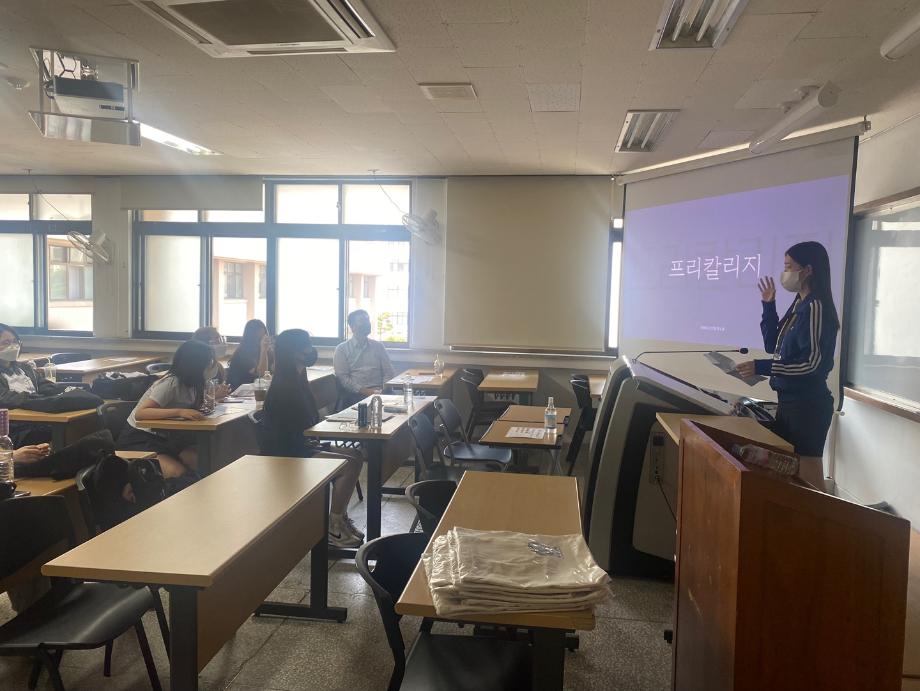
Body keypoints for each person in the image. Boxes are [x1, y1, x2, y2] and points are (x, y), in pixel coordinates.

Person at [736, 241, 839, 489]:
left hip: (808, 406)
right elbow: (773, 345)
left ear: (808, 270)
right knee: (791, 477)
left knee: (809, 479)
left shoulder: (815, 306)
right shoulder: (799, 304)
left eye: (789, 266)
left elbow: (811, 364)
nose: (785, 272)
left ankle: (817, 515)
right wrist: (768, 304)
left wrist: (763, 367)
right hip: (790, 403)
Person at [263, 329, 365, 548]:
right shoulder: (285, 386)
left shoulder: (298, 378)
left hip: (302, 444)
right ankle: (333, 527)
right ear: (294, 352)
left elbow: (310, 420)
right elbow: (298, 429)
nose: (311, 350)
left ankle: (340, 517)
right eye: (307, 345)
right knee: (347, 464)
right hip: (289, 452)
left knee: (356, 456)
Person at [118, 339, 229, 479]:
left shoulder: (196, 384)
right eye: (208, 362)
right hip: (140, 438)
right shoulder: (171, 383)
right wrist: (179, 412)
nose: (211, 366)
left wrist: (215, 398)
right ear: (195, 364)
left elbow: (193, 407)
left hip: (168, 438)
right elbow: (141, 413)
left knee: (202, 462)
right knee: (178, 473)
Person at [0, 323, 61, 445]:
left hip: (38, 419)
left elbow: (45, 386)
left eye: (15, 342)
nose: (13, 346)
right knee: (59, 432)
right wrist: (36, 399)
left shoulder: (25, 368)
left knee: (77, 425)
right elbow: (5, 398)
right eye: (6, 342)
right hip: (15, 429)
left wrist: (62, 393)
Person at [333, 309, 395, 407]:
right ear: (352, 327)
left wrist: (383, 389)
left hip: (381, 392)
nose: (367, 323)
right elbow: (344, 379)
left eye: (367, 320)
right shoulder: (341, 349)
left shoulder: (378, 346)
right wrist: (368, 392)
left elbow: (389, 371)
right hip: (356, 395)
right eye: (362, 321)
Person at [227, 319, 273, 391]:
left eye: (264, 336)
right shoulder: (242, 353)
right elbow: (261, 374)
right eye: (260, 338)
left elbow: (273, 372)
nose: (263, 341)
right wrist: (264, 350)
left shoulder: (266, 351)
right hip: (240, 392)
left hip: (257, 390)